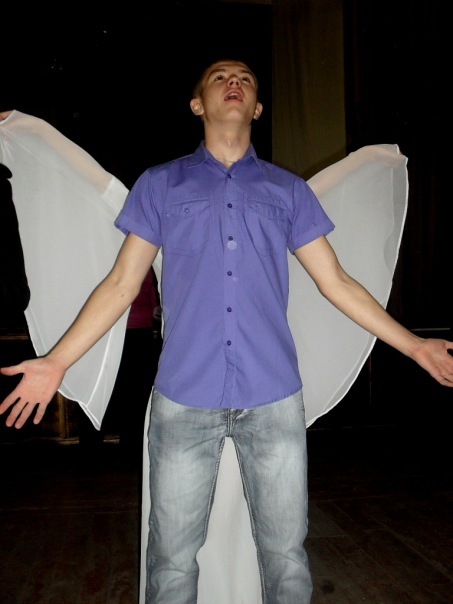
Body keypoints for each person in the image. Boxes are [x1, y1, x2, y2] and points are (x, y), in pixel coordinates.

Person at [1, 59, 452, 604]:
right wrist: (57, 361)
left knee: (287, 560)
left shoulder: (288, 191)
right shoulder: (160, 184)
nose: (233, 82)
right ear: (198, 104)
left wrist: (414, 345)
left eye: (246, 78)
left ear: (257, 108)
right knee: (171, 562)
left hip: (274, 398)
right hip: (182, 399)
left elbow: (337, 283)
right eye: (219, 77)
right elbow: (121, 284)